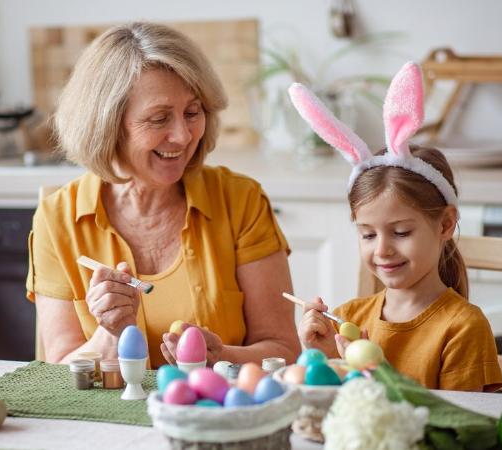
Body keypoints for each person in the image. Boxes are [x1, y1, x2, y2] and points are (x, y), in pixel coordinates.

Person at [26, 22, 301, 368]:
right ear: (108, 125)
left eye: (192, 113)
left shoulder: (241, 200)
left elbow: (283, 348)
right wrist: (109, 333)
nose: (183, 136)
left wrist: (222, 357)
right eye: (159, 119)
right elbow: (58, 372)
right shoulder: (58, 219)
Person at [291, 62, 502, 391]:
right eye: (368, 234)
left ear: (445, 224)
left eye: (401, 232)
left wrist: (380, 376)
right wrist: (320, 359)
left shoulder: (463, 328)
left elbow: (460, 431)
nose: (382, 249)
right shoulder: (348, 318)